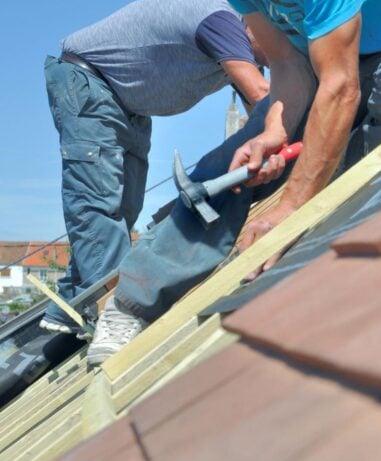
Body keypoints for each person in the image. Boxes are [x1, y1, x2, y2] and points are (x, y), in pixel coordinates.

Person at [89, 0, 381, 366]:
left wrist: (291, 207)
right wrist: (274, 131)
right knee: (228, 168)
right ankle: (134, 302)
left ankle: (352, 231)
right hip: (318, 64)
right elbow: (287, 63)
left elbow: (341, 88)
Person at [40, 0, 270, 334]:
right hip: (91, 83)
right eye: (281, 37)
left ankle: (67, 309)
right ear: (256, 22)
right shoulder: (223, 22)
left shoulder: (242, 39)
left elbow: (260, 117)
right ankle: (115, 316)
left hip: (128, 103)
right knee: (99, 207)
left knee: (123, 210)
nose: (280, 53)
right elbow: (264, 99)